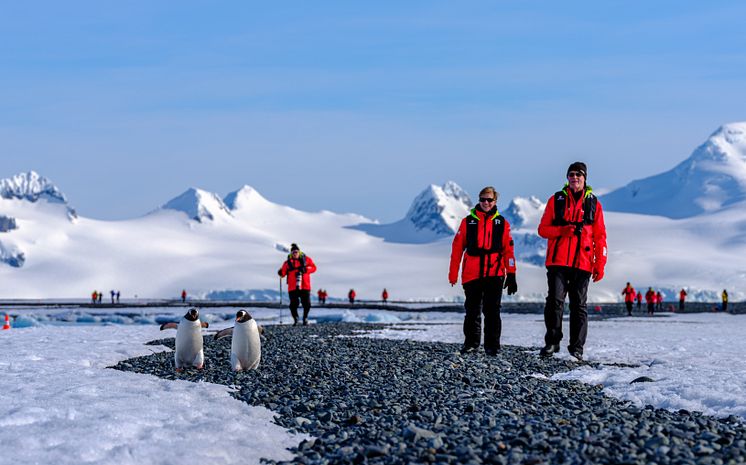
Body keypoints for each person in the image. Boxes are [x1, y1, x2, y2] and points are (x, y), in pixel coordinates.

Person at [537, 162, 607, 361]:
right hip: (558, 261)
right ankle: (552, 342)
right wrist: (562, 230)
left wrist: (599, 264)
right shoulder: (556, 200)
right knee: (554, 302)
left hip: (583, 263)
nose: (574, 178)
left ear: (585, 178)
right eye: (571, 174)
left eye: (578, 174)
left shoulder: (594, 204)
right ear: (567, 178)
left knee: (579, 306)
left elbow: (600, 237)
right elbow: (542, 230)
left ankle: (576, 348)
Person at [449, 186, 518, 356]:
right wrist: (453, 273)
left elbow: (508, 250)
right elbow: (457, 249)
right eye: (482, 199)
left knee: (492, 310)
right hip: (472, 273)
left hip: (494, 273)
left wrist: (512, 273)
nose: (485, 203)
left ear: (495, 201)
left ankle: (492, 346)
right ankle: (471, 343)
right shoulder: (467, 222)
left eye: (489, 200)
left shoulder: (502, 223)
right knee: (472, 310)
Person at [278, 243, 317, 325]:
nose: (295, 253)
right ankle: (296, 318)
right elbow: (283, 273)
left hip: (305, 286)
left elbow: (314, 268)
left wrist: (306, 269)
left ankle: (305, 318)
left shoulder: (306, 260)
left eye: (296, 251)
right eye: (293, 252)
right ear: (291, 253)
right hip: (292, 287)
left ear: (299, 252)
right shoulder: (287, 263)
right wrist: (280, 273)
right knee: (293, 305)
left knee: (307, 304)